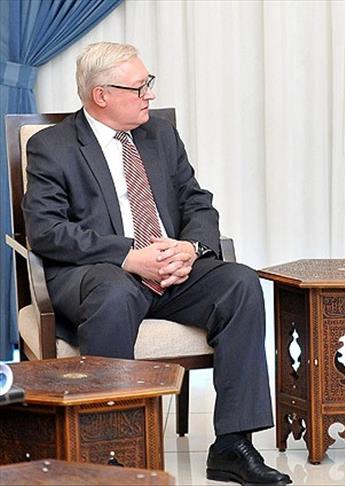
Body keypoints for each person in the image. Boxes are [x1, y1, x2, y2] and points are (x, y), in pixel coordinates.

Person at [23, 42, 291, 486]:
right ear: (101, 95)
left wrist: (191, 248)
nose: (150, 94)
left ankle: (233, 446)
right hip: (101, 274)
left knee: (240, 283)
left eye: (149, 83)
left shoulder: (160, 135)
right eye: (139, 87)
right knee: (114, 292)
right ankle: (110, 451)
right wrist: (129, 256)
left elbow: (196, 201)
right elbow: (47, 230)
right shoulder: (52, 146)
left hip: (171, 271)